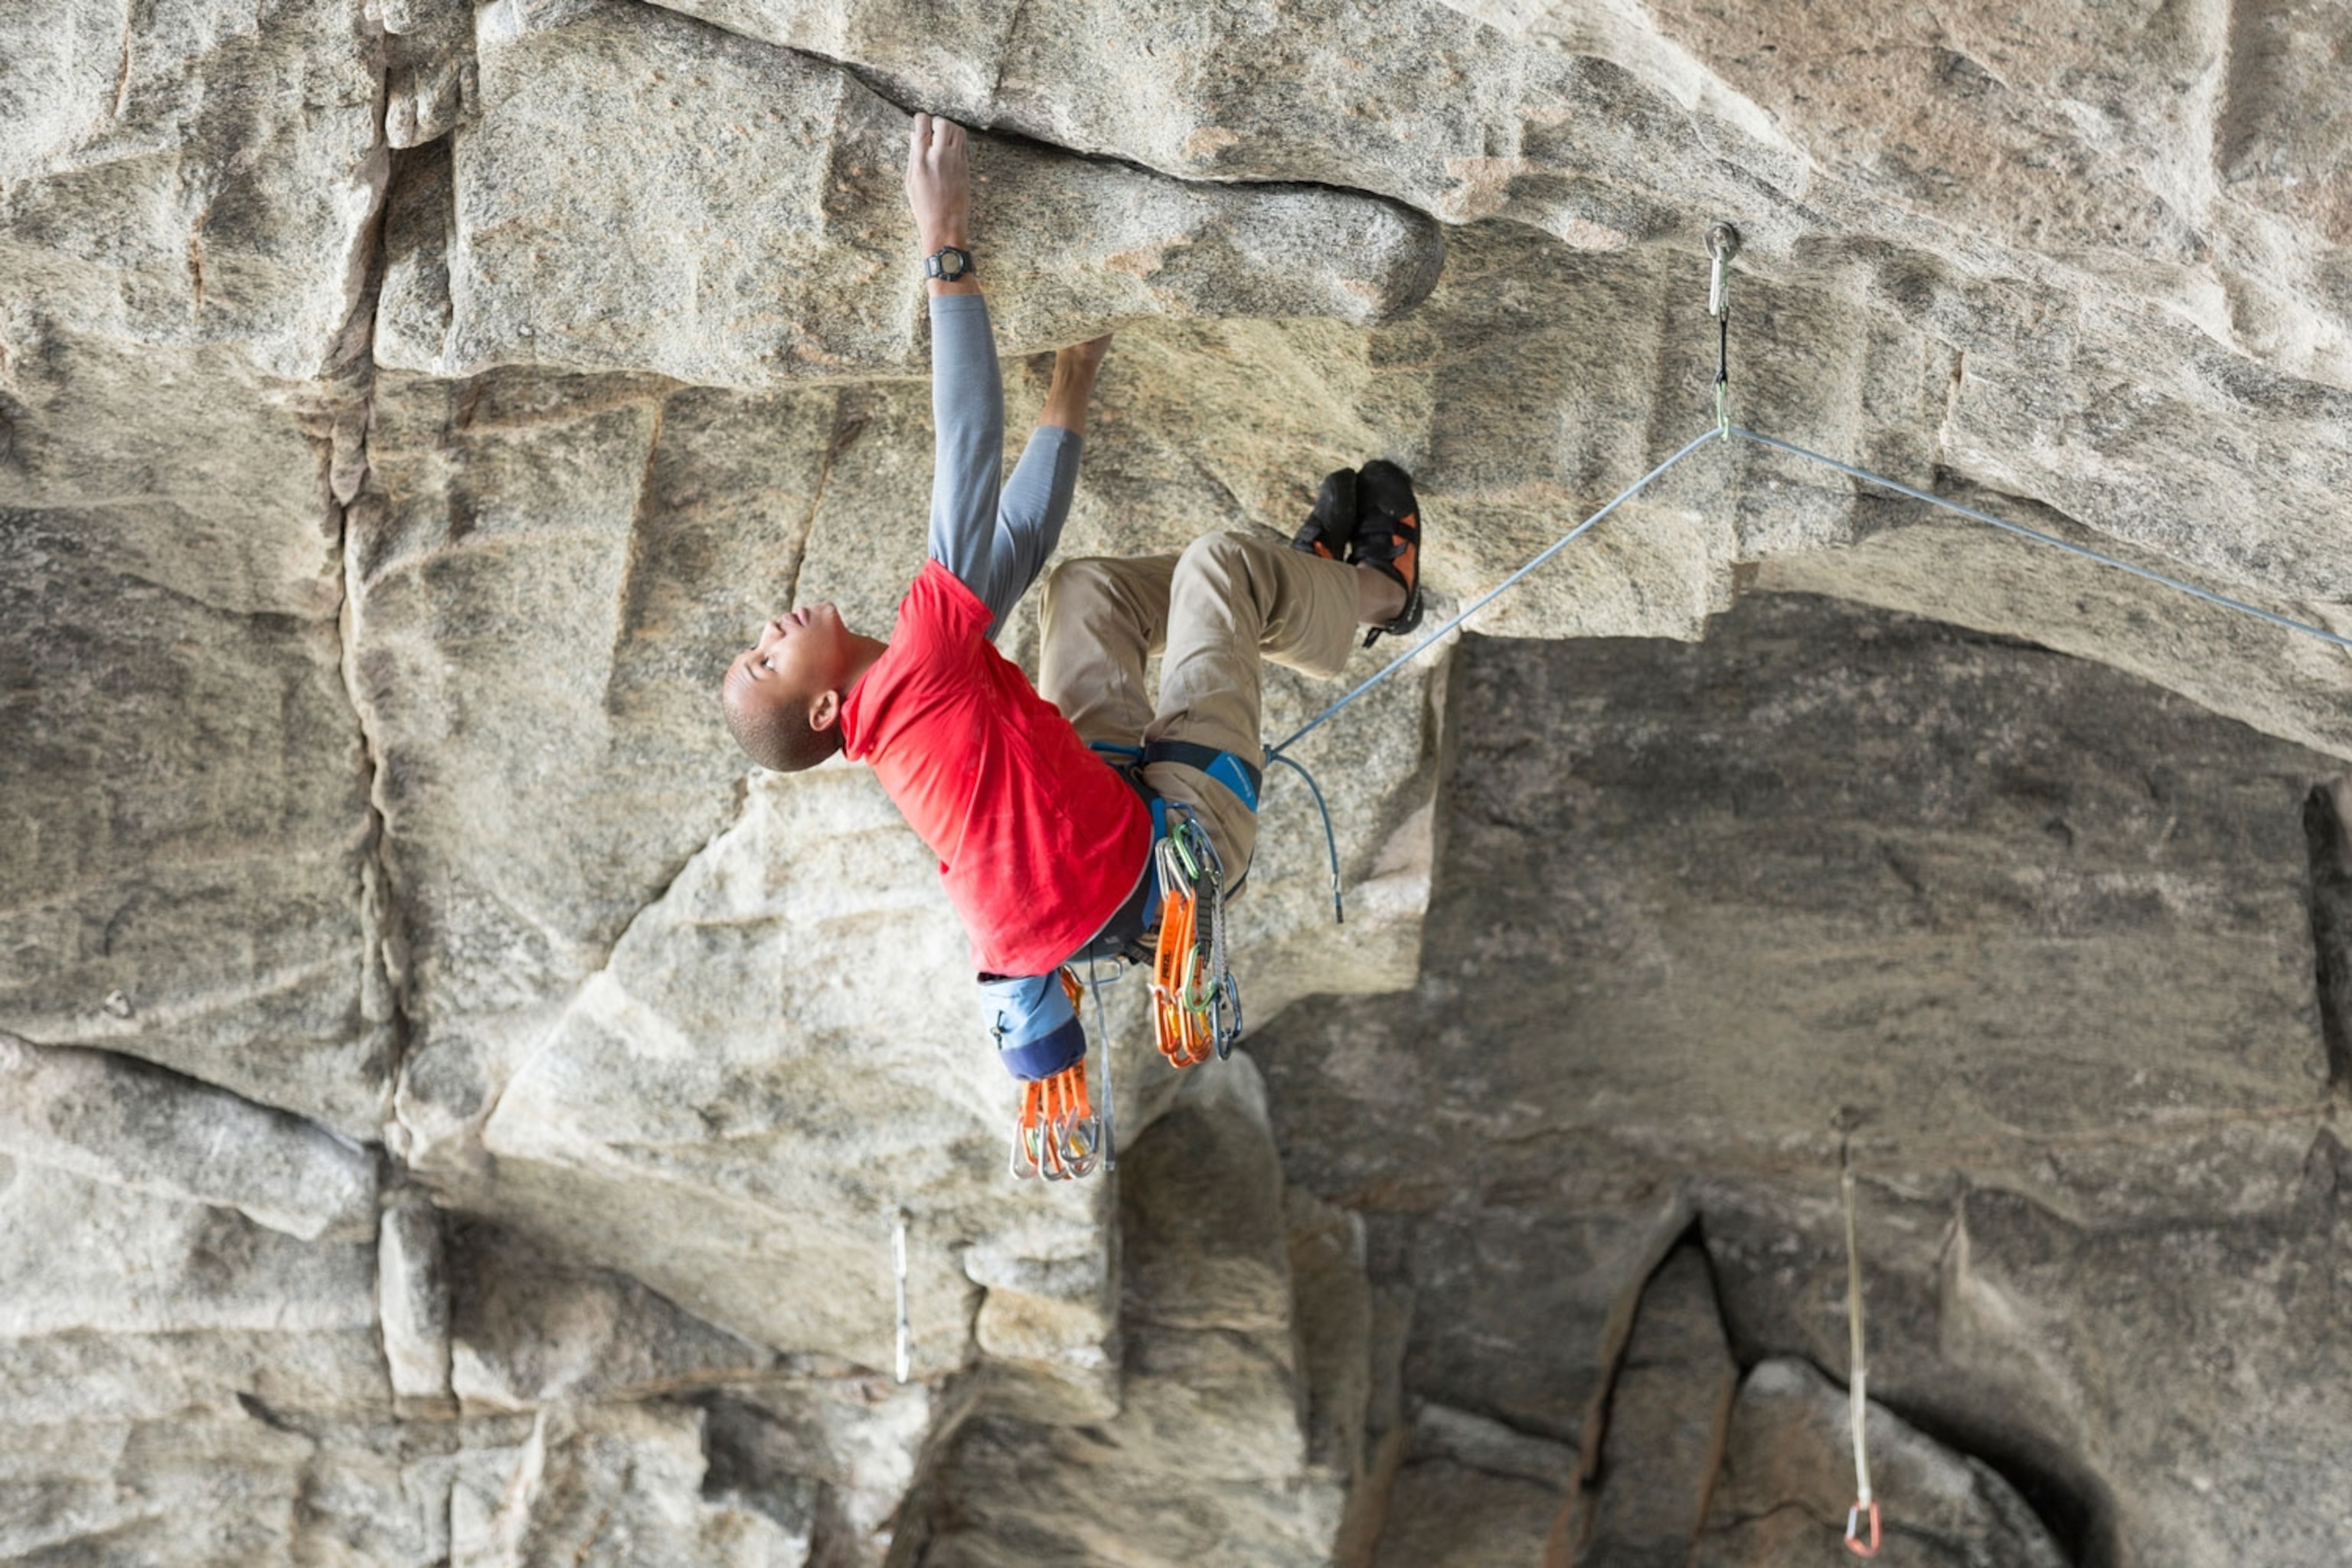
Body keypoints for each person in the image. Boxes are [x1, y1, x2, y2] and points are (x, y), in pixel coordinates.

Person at [720, 113, 1424, 1167]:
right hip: (1183, 848)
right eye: (767, 659)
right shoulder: (916, 665)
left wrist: (1075, 379)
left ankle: (1293, 582)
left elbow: (1016, 541)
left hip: (1104, 835)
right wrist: (944, 238)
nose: (771, 630)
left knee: (1087, 587)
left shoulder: (910, 707)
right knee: (1223, 566)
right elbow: (967, 451)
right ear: (823, 708)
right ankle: (1376, 589)